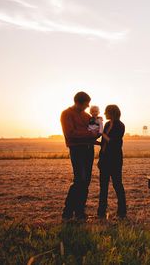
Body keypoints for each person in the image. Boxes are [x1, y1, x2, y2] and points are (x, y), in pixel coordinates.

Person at [60, 91, 100, 221]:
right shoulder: (66, 114)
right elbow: (70, 133)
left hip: (89, 150)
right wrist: (91, 134)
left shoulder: (87, 115)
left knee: (86, 181)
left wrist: (98, 134)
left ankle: (79, 212)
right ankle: (67, 212)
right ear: (79, 102)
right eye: (86, 104)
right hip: (77, 150)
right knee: (79, 180)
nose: (88, 107)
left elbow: (93, 131)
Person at [97, 104, 127, 219]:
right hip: (104, 159)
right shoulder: (107, 124)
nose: (104, 114)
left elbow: (113, 142)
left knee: (117, 185)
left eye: (106, 112)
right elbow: (103, 141)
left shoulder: (120, 126)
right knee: (103, 187)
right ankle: (101, 213)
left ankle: (122, 212)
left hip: (115, 159)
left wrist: (101, 133)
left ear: (112, 112)